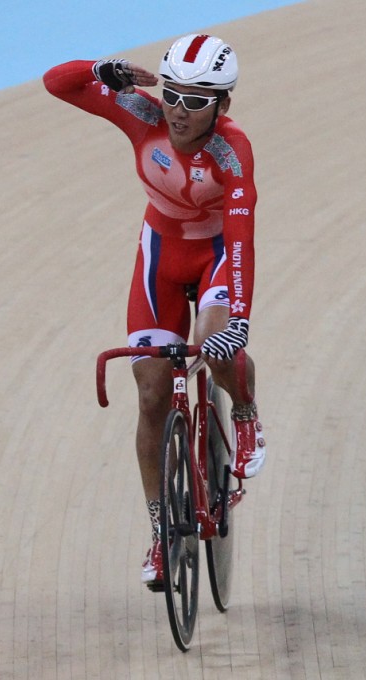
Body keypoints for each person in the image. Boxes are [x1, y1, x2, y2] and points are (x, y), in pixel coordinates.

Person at [43, 34, 266, 586]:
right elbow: (57, 83)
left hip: (216, 256)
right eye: (172, 94)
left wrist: (238, 319)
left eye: (196, 100)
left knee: (216, 343)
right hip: (161, 257)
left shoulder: (232, 151)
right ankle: (162, 533)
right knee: (149, 397)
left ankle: (244, 414)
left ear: (223, 105)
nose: (179, 111)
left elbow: (241, 239)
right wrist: (101, 69)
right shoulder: (143, 113)